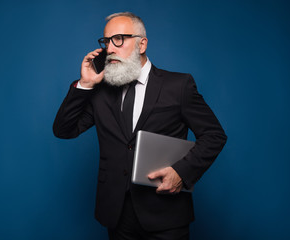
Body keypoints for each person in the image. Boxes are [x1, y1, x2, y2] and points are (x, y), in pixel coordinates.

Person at [53, 12, 227, 240]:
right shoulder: (101, 91)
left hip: (166, 215)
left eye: (119, 39)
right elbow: (64, 130)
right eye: (107, 41)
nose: (110, 49)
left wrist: (181, 173)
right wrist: (85, 84)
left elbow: (214, 135)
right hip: (117, 215)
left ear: (142, 44)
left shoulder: (179, 85)